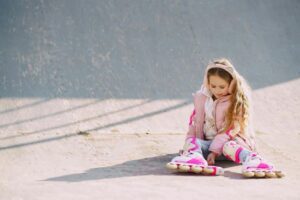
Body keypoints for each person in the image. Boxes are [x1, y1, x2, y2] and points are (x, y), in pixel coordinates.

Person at [166, 58, 283, 178]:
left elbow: (229, 129)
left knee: (228, 146)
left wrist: (214, 151)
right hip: (209, 144)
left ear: (231, 84)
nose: (217, 90)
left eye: (222, 87)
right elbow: (194, 124)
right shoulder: (202, 99)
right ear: (207, 83)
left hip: (232, 146)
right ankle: (194, 157)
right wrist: (188, 147)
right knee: (192, 141)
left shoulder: (235, 102)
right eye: (213, 86)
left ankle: (252, 159)